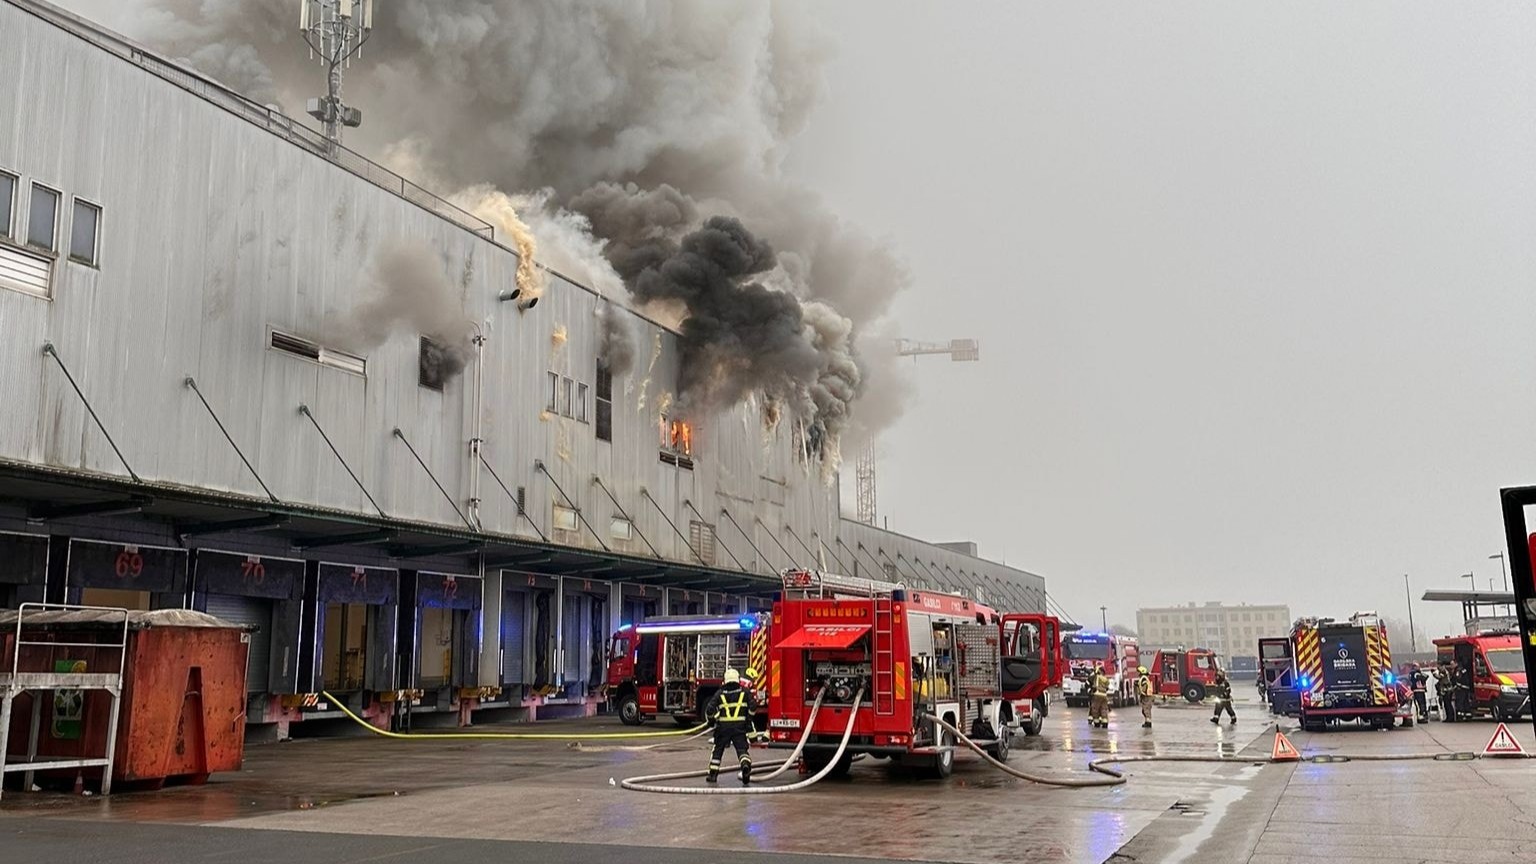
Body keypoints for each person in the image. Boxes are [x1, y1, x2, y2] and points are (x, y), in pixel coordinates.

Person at [704, 668, 758, 784]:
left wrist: (711, 721)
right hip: (739, 727)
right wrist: (748, 718)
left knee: (718, 750)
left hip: (723, 728)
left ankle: (713, 775)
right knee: (742, 750)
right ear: (737, 679)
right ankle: (745, 765)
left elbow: (709, 709)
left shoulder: (720, 692)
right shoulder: (745, 691)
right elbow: (753, 706)